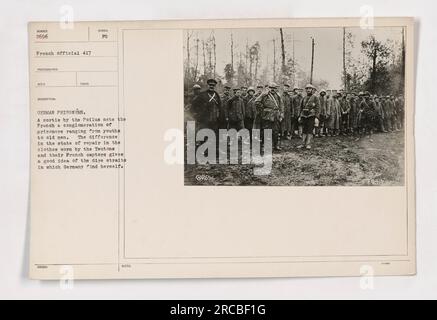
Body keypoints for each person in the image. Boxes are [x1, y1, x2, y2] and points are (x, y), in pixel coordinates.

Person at [255, 83, 284, 151]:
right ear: (269, 88)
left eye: (274, 88)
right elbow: (256, 102)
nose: (272, 89)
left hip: (276, 116)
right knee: (266, 131)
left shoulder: (278, 95)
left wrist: (281, 114)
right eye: (271, 88)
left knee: (276, 131)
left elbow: (281, 105)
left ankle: (275, 145)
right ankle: (263, 146)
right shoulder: (264, 95)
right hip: (267, 116)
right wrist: (264, 110)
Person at [297, 84, 320, 149]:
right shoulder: (304, 98)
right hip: (304, 116)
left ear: (312, 90)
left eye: (310, 89)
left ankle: (308, 144)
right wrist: (300, 116)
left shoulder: (315, 98)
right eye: (307, 89)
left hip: (311, 116)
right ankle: (303, 144)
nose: (308, 90)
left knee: (310, 130)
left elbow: (318, 108)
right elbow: (300, 108)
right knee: (304, 130)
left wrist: (316, 117)